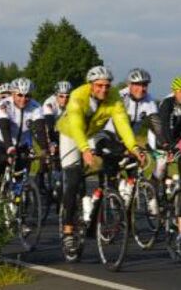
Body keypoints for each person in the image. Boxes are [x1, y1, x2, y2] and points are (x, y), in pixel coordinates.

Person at [56, 66, 145, 256]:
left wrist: (134, 147)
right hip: (72, 134)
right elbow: (77, 126)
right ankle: (68, 231)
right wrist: (85, 150)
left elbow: (122, 124)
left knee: (113, 156)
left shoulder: (113, 97)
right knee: (72, 180)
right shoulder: (78, 96)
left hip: (93, 133)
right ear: (91, 85)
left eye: (106, 86)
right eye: (99, 86)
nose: (103, 90)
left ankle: (101, 203)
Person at [0, 78, 49, 182]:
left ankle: (20, 195)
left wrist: (44, 148)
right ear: (13, 94)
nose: (23, 99)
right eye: (20, 95)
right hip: (2, 140)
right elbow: (4, 127)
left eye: (27, 96)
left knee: (21, 175)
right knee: (2, 161)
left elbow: (40, 129)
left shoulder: (36, 106)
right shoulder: (4, 104)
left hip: (21, 143)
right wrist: (9, 147)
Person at [149, 76, 181, 244]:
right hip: (160, 137)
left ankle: (172, 196)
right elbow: (165, 127)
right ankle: (153, 192)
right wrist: (168, 147)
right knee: (161, 166)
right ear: (175, 92)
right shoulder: (167, 104)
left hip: (176, 140)